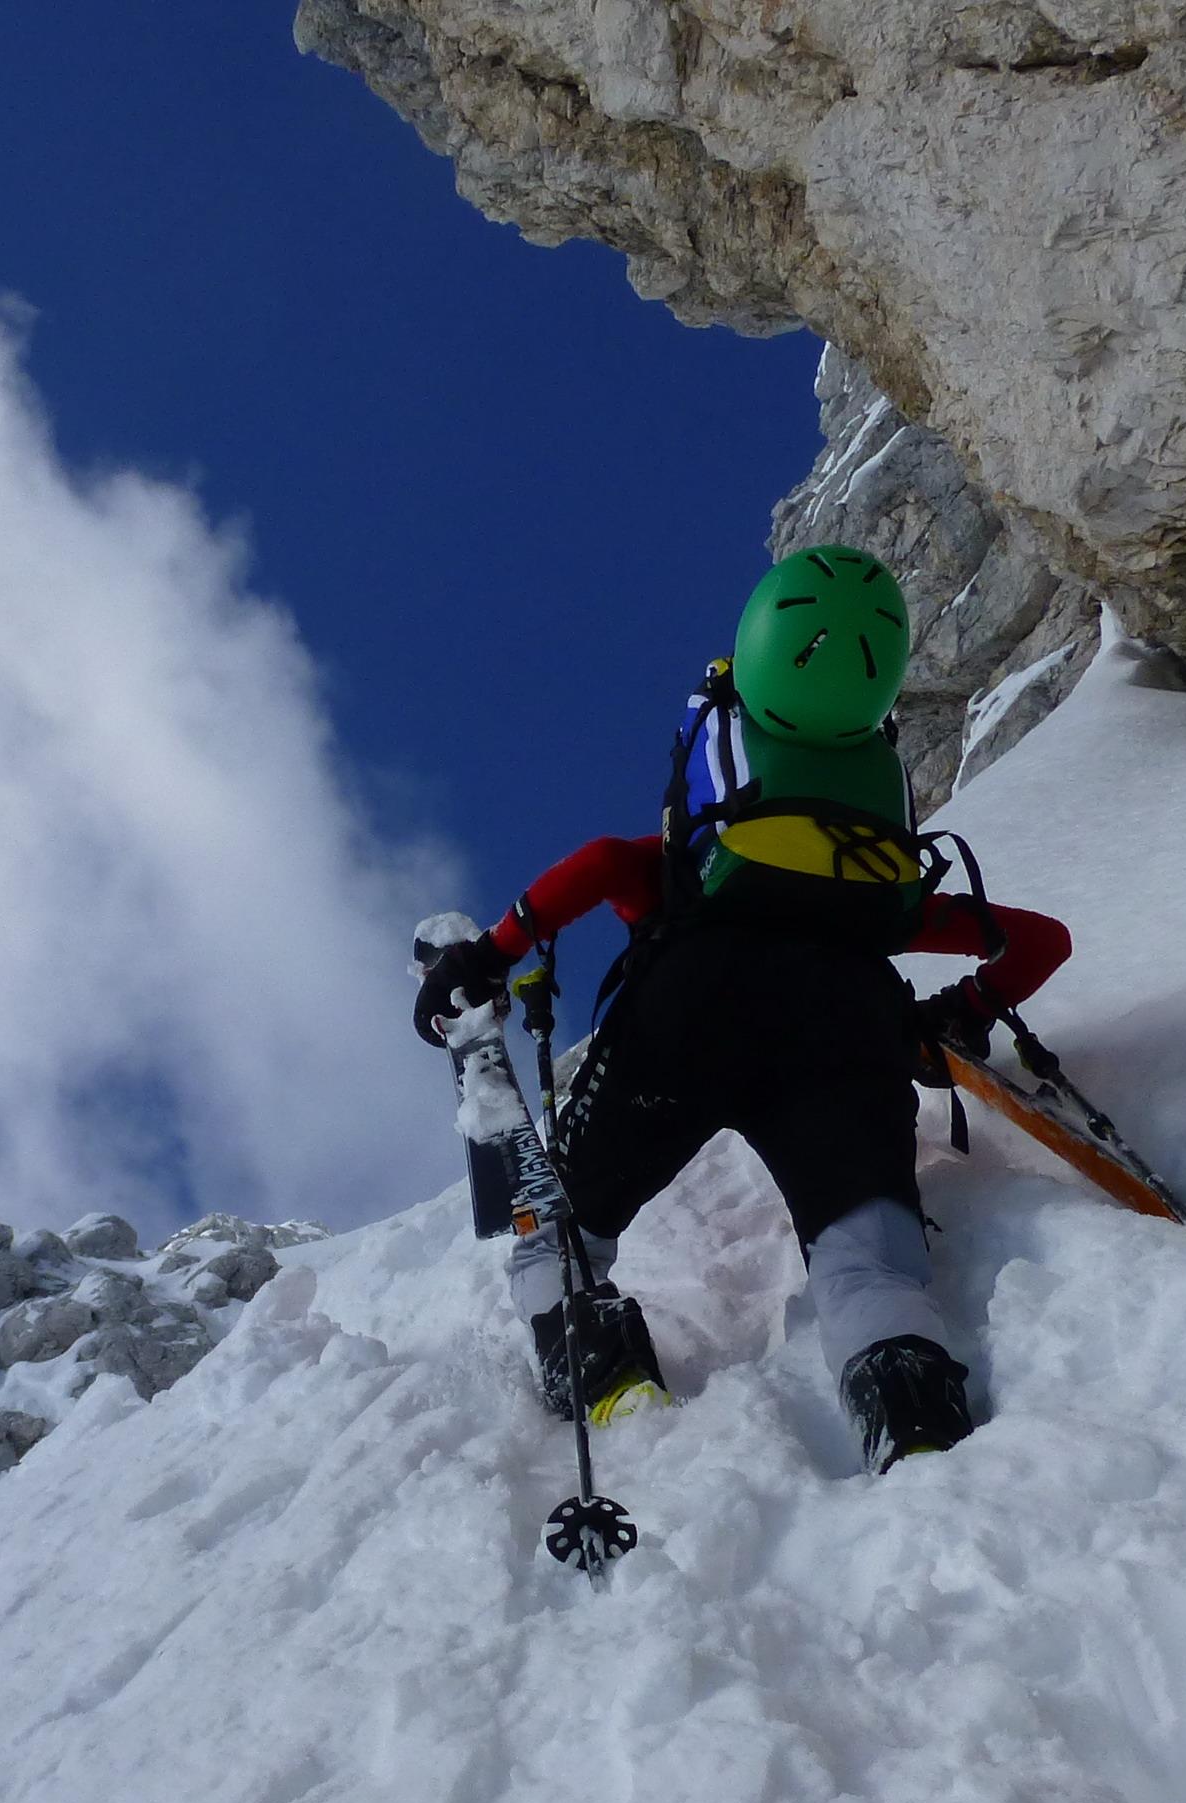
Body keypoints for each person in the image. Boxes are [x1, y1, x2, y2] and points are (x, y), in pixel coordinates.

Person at [415, 545, 1073, 1471]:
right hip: (850, 1024)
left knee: (557, 1238)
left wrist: (490, 955)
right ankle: (915, 1422)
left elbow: (602, 864)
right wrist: (963, 1011)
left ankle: (612, 1386)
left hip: (689, 1009)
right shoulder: (874, 890)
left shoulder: (698, 864)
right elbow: (1042, 941)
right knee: (868, 1266)